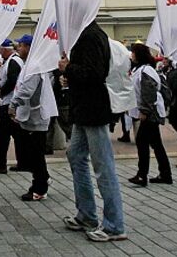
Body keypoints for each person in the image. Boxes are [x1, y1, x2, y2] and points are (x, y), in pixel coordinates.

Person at [58, 23, 127, 243]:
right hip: (84, 111)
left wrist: (68, 69)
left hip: (93, 110)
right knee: (75, 155)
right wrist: (70, 74)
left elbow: (94, 73)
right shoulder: (84, 34)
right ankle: (86, 214)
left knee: (103, 166)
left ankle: (114, 225)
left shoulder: (90, 36)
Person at [9, 35, 56, 201]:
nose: (18, 48)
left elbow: (26, 90)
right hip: (31, 116)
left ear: (29, 47)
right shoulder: (32, 64)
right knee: (33, 153)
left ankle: (40, 188)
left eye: (21, 45)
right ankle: (43, 178)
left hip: (36, 116)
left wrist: (13, 104)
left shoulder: (34, 66)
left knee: (36, 154)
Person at [127, 44, 172, 186]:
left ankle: (142, 175)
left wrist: (144, 111)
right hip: (152, 110)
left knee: (142, 141)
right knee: (156, 143)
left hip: (151, 112)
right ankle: (165, 174)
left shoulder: (145, 71)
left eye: (133, 53)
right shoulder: (142, 70)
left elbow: (148, 92)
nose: (131, 55)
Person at [0, 38, 25, 174]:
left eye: (1, 49)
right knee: (16, 134)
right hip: (11, 102)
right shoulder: (13, 61)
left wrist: (1, 92)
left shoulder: (13, 62)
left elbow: (13, 81)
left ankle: (0, 163)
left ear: (5, 49)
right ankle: (22, 162)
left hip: (9, 102)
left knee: (3, 133)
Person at [106, 36, 135, 143]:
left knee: (124, 115)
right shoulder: (123, 56)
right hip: (122, 89)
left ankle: (123, 131)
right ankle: (124, 132)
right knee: (123, 115)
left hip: (123, 90)